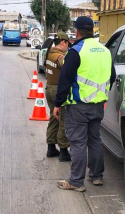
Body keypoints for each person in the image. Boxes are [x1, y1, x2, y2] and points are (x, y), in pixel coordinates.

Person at [54, 16, 116, 192]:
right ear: (93, 30)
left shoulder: (75, 51)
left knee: (78, 142)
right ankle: (96, 176)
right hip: (98, 106)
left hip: (78, 106)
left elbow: (64, 80)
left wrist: (58, 103)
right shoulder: (105, 50)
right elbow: (111, 76)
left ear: (76, 31)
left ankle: (76, 181)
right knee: (95, 140)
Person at [45, 32, 71, 162]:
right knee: (63, 120)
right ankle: (64, 151)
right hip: (58, 91)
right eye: (67, 44)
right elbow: (64, 65)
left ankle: (51, 147)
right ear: (63, 42)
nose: (68, 47)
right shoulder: (60, 56)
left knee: (53, 118)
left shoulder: (49, 53)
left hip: (49, 88)